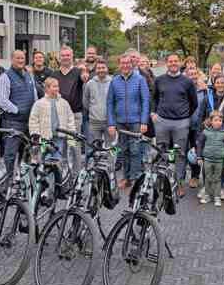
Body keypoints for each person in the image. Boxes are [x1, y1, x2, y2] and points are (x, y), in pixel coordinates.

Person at [152, 53, 198, 197]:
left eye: (175, 61)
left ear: (179, 63)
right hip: (162, 121)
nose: (173, 63)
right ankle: (161, 181)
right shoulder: (159, 80)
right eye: (170, 61)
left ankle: (179, 184)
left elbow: (194, 102)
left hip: (181, 123)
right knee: (162, 152)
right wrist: (154, 113)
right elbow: (154, 98)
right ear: (167, 63)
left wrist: (184, 115)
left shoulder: (187, 81)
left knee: (180, 154)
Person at [107, 54, 149, 190]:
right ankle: (125, 177)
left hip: (136, 121)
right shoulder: (114, 81)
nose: (125, 66)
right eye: (122, 63)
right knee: (123, 150)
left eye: (128, 63)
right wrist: (111, 123)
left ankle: (135, 177)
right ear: (119, 65)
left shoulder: (140, 80)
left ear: (132, 64)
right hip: (120, 122)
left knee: (136, 150)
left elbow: (145, 101)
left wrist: (144, 121)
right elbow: (109, 103)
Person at [0, 50, 38, 174]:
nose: (21, 61)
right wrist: (18, 110)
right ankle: (8, 180)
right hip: (12, 123)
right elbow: (3, 101)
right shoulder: (5, 76)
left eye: (22, 58)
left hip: (28, 123)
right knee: (10, 154)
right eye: (18, 58)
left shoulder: (28, 74)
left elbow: (34, 94)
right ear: (12, 60)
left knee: (26, 152)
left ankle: (23, 181)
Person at [52, 46, 89, 170]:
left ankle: (75, 175)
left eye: (68, 55)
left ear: (72, 56)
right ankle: (62, 175)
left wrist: (84, 72)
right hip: (59, 115)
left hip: (75, 115)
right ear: (59, 57)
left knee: (74, 146)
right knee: (60, 146)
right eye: (63, 55)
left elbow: (85, 78)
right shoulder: (55, 74)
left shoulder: (78, 72)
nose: (66, 57)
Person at [29, 77, 76, 160]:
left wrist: (71, 135)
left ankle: (57, 172)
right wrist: (35, 134)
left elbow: (70, 119)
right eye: (54, 86)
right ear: (47, 88)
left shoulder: (64, 103)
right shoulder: (39, 103)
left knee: (58, 158)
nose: (57, 88)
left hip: (59, 137)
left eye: (57, 86)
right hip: (44, 138)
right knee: (45, 157)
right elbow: (33, 120)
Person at [196, 110, 224, 207]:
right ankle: (207, 196)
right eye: (216, 120)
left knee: (217, 179)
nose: (218, 122)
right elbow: (200, 144)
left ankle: (217, 197)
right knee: (207, 178)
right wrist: (199, 157)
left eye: (220, 120)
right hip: (207, 160)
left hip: (219, 161)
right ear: (211, 121)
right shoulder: (205, 132)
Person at [186, 66, 208, 189]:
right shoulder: (183, 89)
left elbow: (208, 107)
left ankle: (196, 176)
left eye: (195, 74)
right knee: (184, 151)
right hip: (184, 125)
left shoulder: (204, 90)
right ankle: (182, 178)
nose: (193, 76)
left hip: (198, 126)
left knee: (197, 150)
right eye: (191, 74)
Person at [83, 58, 112, 144]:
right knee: (94, 148)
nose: (101, 70)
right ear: (95, 70)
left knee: (111, 148)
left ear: (107, 69)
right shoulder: (90, 84)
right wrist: (93, 110)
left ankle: (110, 158)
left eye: (103, 67)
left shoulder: (112, 82)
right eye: (99, 68)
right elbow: (85, 101)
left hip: (109, 121)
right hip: (94, 122)